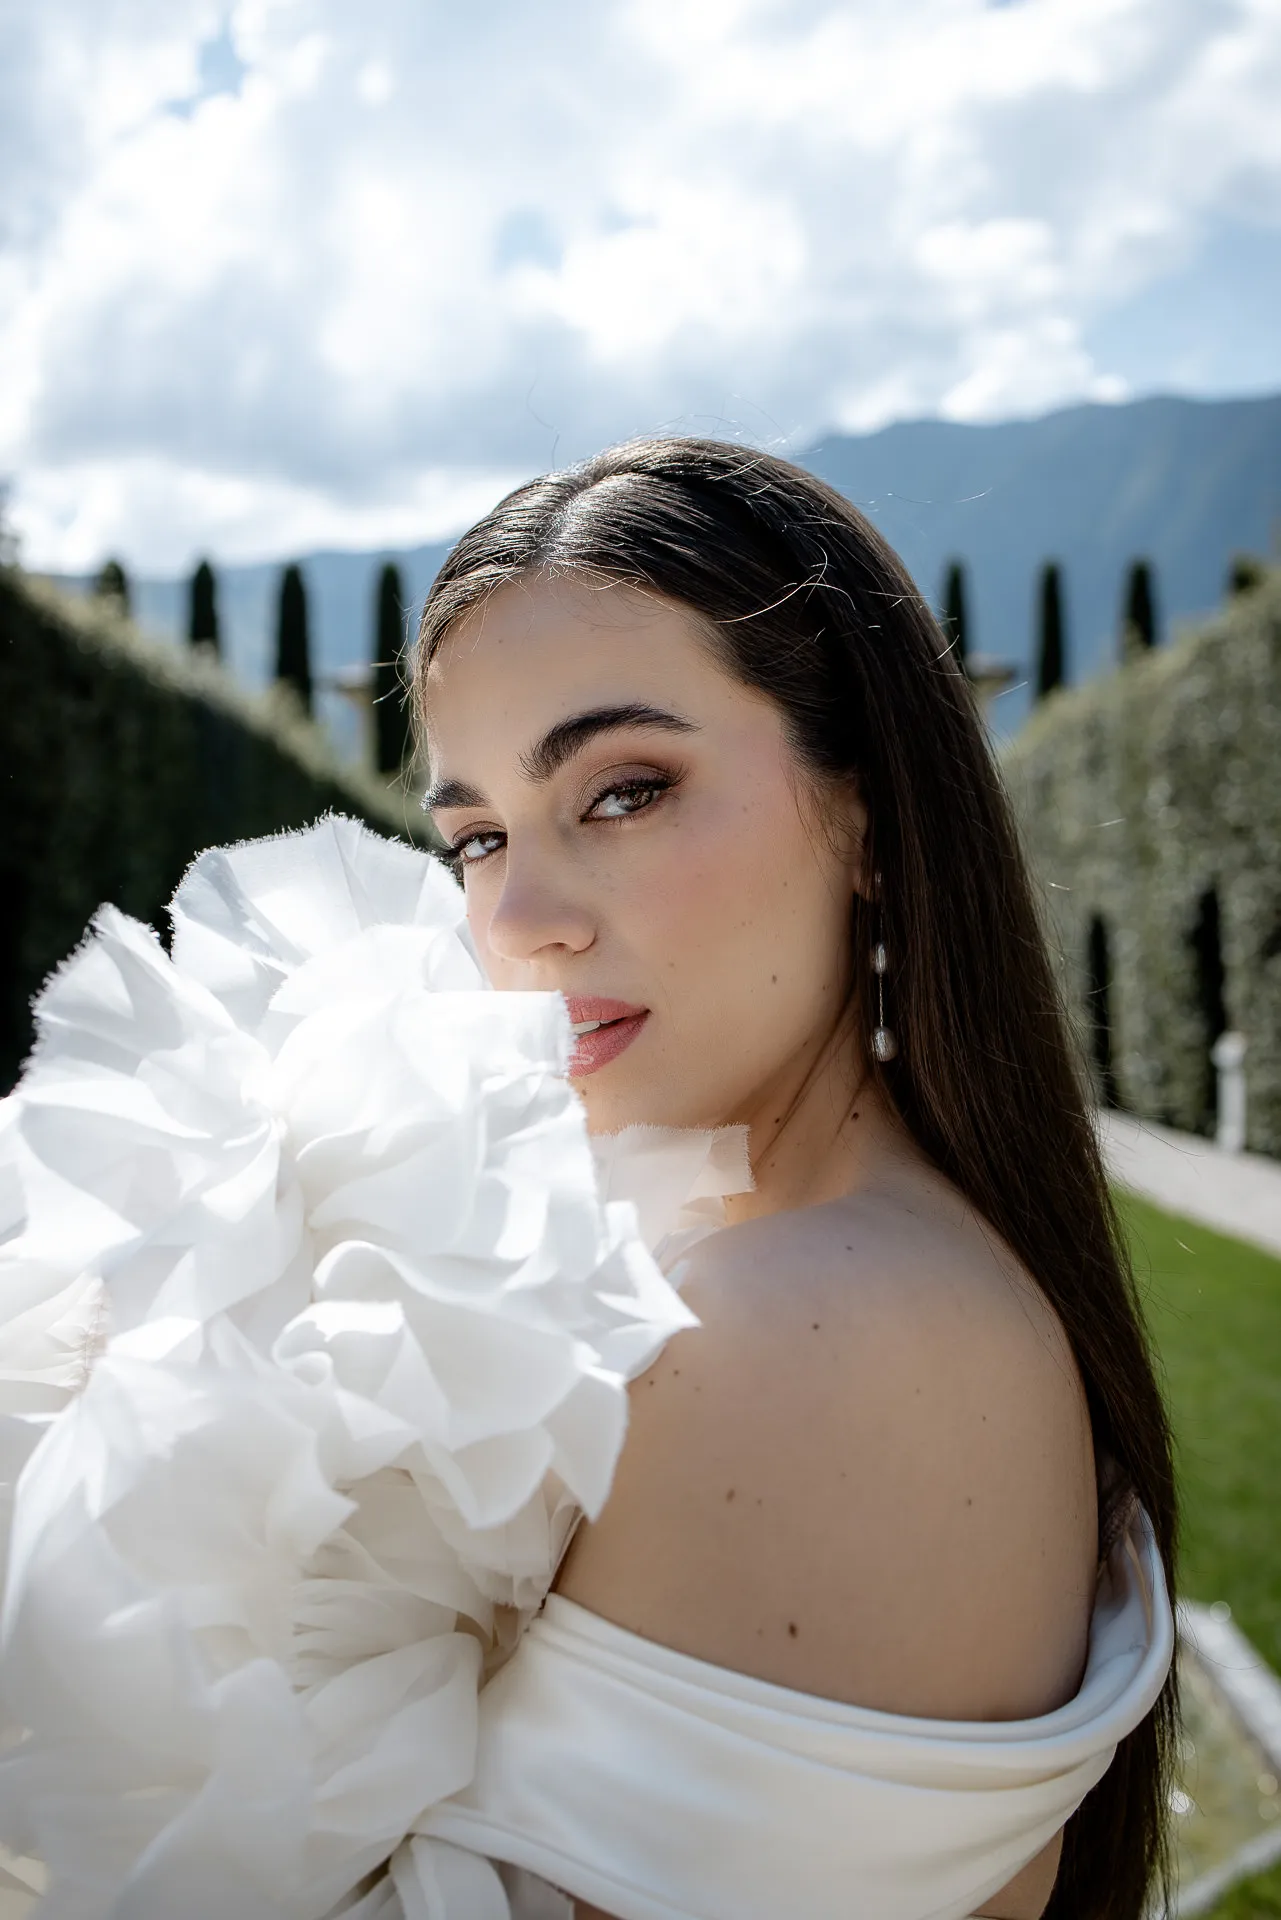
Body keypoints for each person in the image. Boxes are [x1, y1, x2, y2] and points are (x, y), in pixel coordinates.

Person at [412, 438, 1178, 1920]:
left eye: (625, 791)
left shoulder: (797, 1324)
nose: (521, 918)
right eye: (481, 837)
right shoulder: (837, 1263)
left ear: (870, 812)